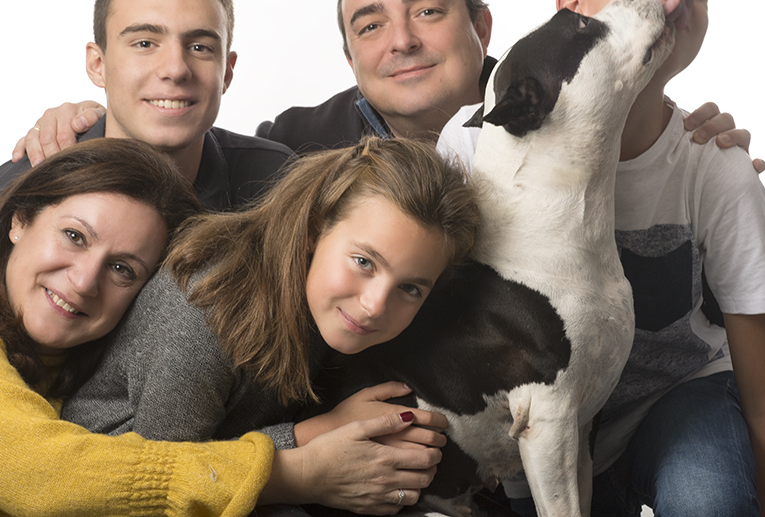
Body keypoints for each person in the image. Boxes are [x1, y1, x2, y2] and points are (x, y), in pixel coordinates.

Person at [438, 0, 765, 517]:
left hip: (681, 397)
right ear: (573, 7)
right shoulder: (476, 145)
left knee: (709, 495)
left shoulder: (714, 167)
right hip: (550, 423)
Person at [0, 138, 435, 517]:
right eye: (74, 236)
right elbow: (42, 475)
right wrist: (296, 466)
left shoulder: (65, 343)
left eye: (123, 269)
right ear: (19, 219)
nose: (83, 281)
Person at [8, 0, 761, 168]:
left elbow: (650, 157)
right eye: (369, 26)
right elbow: (184, 138)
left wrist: (686, 140)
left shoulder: (568, 110)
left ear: (483, 26)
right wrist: (83, 119)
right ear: (350, 58)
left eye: (428, 11)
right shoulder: (294, 151)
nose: (401, 40)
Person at [61, 136, 479, 513]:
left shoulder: (323, 306)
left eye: (410, 288)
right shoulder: (205, 307)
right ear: (315, 228)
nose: (374, 305)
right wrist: (313, 435)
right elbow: (168, 480)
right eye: (364, 262)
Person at [0, 0, 292, 222]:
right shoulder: (10, 196)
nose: (176, 69)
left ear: (227, 74)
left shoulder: (279, 185)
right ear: (98, 65)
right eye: (144, 44)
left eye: (199, 47)